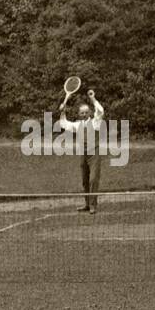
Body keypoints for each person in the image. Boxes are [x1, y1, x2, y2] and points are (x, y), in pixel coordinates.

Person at [58, 84, 106, 214]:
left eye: (86, 112)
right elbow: (63, 123)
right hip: (83, 154)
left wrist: (93, 99)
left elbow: (101, 111)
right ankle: (87, 204)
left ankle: (93, 205)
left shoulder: (96, 122)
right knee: (85, 181)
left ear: (89, 113)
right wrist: (62, 111)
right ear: (79, 114)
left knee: (93, 179)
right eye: (82, 113)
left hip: (94, 154)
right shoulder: (77, 124)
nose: (84, 114)